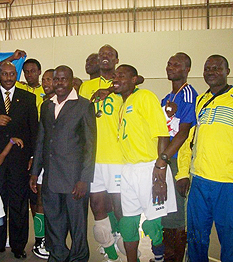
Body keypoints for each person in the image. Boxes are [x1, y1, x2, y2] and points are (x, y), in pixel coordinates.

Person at [108, 64, 177, 262]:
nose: (116, 78)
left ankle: (159, 257)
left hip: (150, 168)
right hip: (128, 170)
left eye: (122, 75)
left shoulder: (145, 97)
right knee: (128, 222)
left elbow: (162, 133)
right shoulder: (123, 103)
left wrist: (160, 172)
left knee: (153, 224)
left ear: (134, 79)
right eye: (115, 75)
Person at [31, 65, 97, 261]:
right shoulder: (46, 106)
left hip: (74, 180)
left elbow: (90, 146)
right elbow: (41, 140)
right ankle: (58, 255)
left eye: (63, 79)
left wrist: (84, 179)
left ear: (71, 81)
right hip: (51, 177)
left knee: (77, 226)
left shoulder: (84, 106)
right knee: (54, 223)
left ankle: (78, 258)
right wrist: (35, 172)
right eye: (55, 79)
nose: (59, 83)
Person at [0, 61, 38, 259]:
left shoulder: (28, 98)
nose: (9, 78)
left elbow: (33, 131)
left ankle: (19, 246)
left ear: (16, 75)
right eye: (5, 74)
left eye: (12, 74)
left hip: (20, 161)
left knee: (19, 203)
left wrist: (32, 157)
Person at [177, 55, 233, 262]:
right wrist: (182, 173)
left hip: (228, 184)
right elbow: (189, 141)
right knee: (196, 237)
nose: (211, 72)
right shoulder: (200, 100)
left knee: (230, 239)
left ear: (227, 71)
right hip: (199, 181)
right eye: (208, 68)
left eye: (217, 68)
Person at [79, 45, 124, 262]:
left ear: (116, 59)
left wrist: (111, 89)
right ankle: (110, 251)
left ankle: (119, 237)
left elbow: (139, 78)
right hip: (93, 157)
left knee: (118, 205)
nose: (104, 58)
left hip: (118, 156)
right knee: (97, 204)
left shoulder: (122, 83)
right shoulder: (86, 87)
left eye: (109, 55)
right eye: (101, 55)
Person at [160, 52, 198, 262]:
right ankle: (168, 255)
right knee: (165, 211)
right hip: (165, 158)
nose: (170, 67)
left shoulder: (188, 94)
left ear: (187, 70)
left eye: (176, 64)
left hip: (177, 160)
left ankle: (176, 257)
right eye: (169, 63)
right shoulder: (167, 98)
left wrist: (164, 159)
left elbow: (183, 133)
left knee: (177, 214)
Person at [29, 68, 55, 259]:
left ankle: (54, 238)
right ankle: (40, 241)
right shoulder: (42, 104)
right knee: (39, 201)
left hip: (61, 162)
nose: (46, 83)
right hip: (43, 159)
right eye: (44, 79)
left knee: (56, 203)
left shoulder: (68, 103)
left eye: (50, 80)